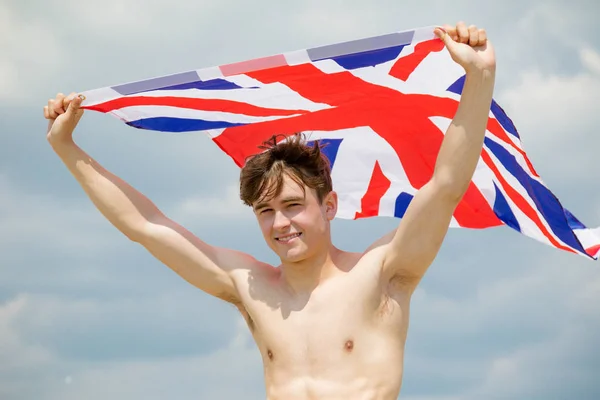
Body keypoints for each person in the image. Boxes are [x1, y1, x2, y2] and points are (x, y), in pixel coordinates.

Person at [43, 22, 495, 400]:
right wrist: (66, 148)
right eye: (266, 211)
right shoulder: (250, 287)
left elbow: (445, 186)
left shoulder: (383, 275)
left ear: (329, 204)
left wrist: (480, 78)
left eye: (293, 205)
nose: (280, 223)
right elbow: (145, 226)